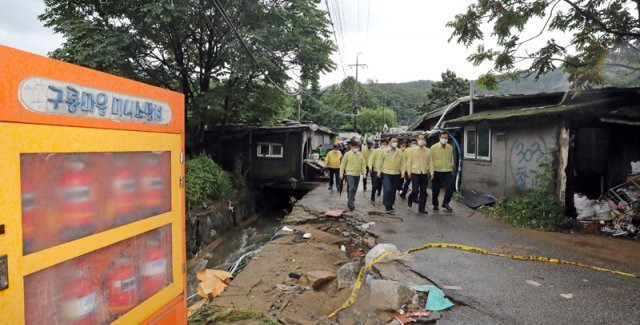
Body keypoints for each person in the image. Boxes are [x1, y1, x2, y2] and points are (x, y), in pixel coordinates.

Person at [377, 137, 405, 213]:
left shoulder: (400, 152)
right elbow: (380, 162)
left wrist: (402, 172)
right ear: (389, 142)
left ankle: (390, 205)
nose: (395, 142)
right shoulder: (384, 151)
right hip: (386, 173)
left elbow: (402, 163)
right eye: (393, 141)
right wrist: (379, 172)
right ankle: (386, 204)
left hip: (396, 173)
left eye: (396, 141)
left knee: (393, 190)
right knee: (388, 188)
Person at [407, 134, 432, 214]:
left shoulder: (428, 150)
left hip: (424, 173)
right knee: (415, 190)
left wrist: (432, 173)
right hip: (415, 173)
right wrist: (409, 172)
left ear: (425, 140)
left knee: (424, 192)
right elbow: (409, 162)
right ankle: (411, 197)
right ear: (417, 140)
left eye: (423, 139)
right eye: (420, 139)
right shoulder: (413, 150)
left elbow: (431, 162)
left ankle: (421, 208)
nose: (421, 140)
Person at [431, 132, 455, 212]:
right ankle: (435, 204)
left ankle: (445, 203)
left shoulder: (450, 147)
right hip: (437, 171)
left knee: (450, 187)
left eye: (446, 138)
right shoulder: (434, 148)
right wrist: (431, 172)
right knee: (436, 189)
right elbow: (430, 160)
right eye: (443, 137)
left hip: (447, 171)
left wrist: (451, 165)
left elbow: (451, 157)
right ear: (439, 137)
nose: (444, 139)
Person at [340, 141, 367, 211]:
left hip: (357, 174)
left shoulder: (360, 155)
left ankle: (350, 198)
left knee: (353, 188)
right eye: (354, 147)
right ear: (351, 147)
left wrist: (364, 173)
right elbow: (343, 164)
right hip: (349, 173)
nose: (356, 148)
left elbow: (363, 164)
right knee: (352, 187)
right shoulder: (347, 154)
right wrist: (341, 174)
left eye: (357, 147)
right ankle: (350, 203)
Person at [368, 139, 387, 204]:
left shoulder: (388, 151)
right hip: (376, 170)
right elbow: (371, 159)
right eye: (383, 144)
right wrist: (370, 167)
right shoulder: (375, 151)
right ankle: (372, 196)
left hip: (385, 171)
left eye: (385, 144)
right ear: (380, 144)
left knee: (383, 184)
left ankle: (380, 192)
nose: (384, 145)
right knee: (375, 184)